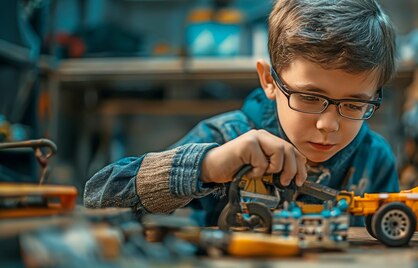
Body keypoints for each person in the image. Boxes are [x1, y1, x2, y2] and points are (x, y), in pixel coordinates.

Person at [84, 0, 399, 226]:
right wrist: (207, 167)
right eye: (309, 97)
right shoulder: (223, 140)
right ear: (269, 80)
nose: (329, 125)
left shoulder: (375, 159)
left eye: (355, 105)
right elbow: (99, 196)